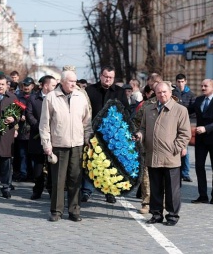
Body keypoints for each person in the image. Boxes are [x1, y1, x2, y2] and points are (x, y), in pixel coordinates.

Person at [39, 69, 92, 222]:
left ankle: (74, 210)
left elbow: (86, 122)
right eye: (71, 81)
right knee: (58, 180)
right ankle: (56, 211)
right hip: (58, 145)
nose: (74, 84)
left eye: (75, 81)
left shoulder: (80, 97)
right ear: (62, 82)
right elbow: (44, 124)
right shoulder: (51, 98)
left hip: (77, 144)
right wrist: (46, 144)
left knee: (75, 179)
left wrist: (88, 138)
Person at [136, 82, 190, 226]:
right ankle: (156, 214)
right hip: (153, 155)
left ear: (170, 92)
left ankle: (172, 216)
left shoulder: (180, 110)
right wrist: (140, 135)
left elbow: (185, 134)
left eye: (165, 92)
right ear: (155, 94)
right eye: (159, 92)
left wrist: (175, 148)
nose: (162, 95)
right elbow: (143, 128)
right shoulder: (148, 109)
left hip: (170, 156)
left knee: (172, 190)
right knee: (155, 188)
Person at [85, 65, 129, 203]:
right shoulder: (90, 90)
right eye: (106, 77)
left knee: (110, 164)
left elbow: (125, 112)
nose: (108, 80)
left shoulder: (120, 92)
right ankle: (86, 190)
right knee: (90, 161)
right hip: (93, 133)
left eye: (111, 78)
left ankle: (109, 191)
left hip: (112, 135)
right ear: (101, 76)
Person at [189, 79, 213, 204]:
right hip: (201, 140)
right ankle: (203, 195)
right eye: (202, 85)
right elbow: (187, 110)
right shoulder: (199, 100)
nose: (203, 88)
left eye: (206, 86)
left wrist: (206, 128)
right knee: (199, 166)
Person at [132, 72, 162, 213]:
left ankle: (163, 202)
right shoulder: (147, 104)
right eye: (152, 88)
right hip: (147, 144)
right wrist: (138, 134)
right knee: (146, 175)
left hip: (164, 146)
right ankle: (146, 202)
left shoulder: (173, 103)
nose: (155, 91)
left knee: (163, 175)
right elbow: (136, 121)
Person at [26, 75, 57, 200]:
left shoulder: (57, 98)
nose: (56, 88)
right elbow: (29, 114)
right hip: (37, 137)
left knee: (52, 165)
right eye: (53, 85)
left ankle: (51, 189)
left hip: (53, 138)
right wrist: (40, 127)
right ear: (45, 86)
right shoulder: (33, 99)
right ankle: (37, 189)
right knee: (38, 166)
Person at [175, 74, 196, 182]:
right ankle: (177, 170)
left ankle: (185, 172)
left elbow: (194, 111)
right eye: (178, 82)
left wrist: (185, 114)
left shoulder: (191, 95)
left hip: (186, 123)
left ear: (185, 81)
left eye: (182, 81)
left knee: (185, 149)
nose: (180, 84)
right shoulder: (174, 93)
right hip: (174, 123)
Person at [15, 77, 35, 181]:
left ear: (32, 86)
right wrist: (19, 117)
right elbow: (13, 112)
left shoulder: (36, 97)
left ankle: (33, 175)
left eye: (28, 85)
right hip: (22, 130)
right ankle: (23, 174)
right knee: (22, 154)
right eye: (24, 85)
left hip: (33, 130)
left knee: (33, 155)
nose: (26, 87)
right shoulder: (18, 97)